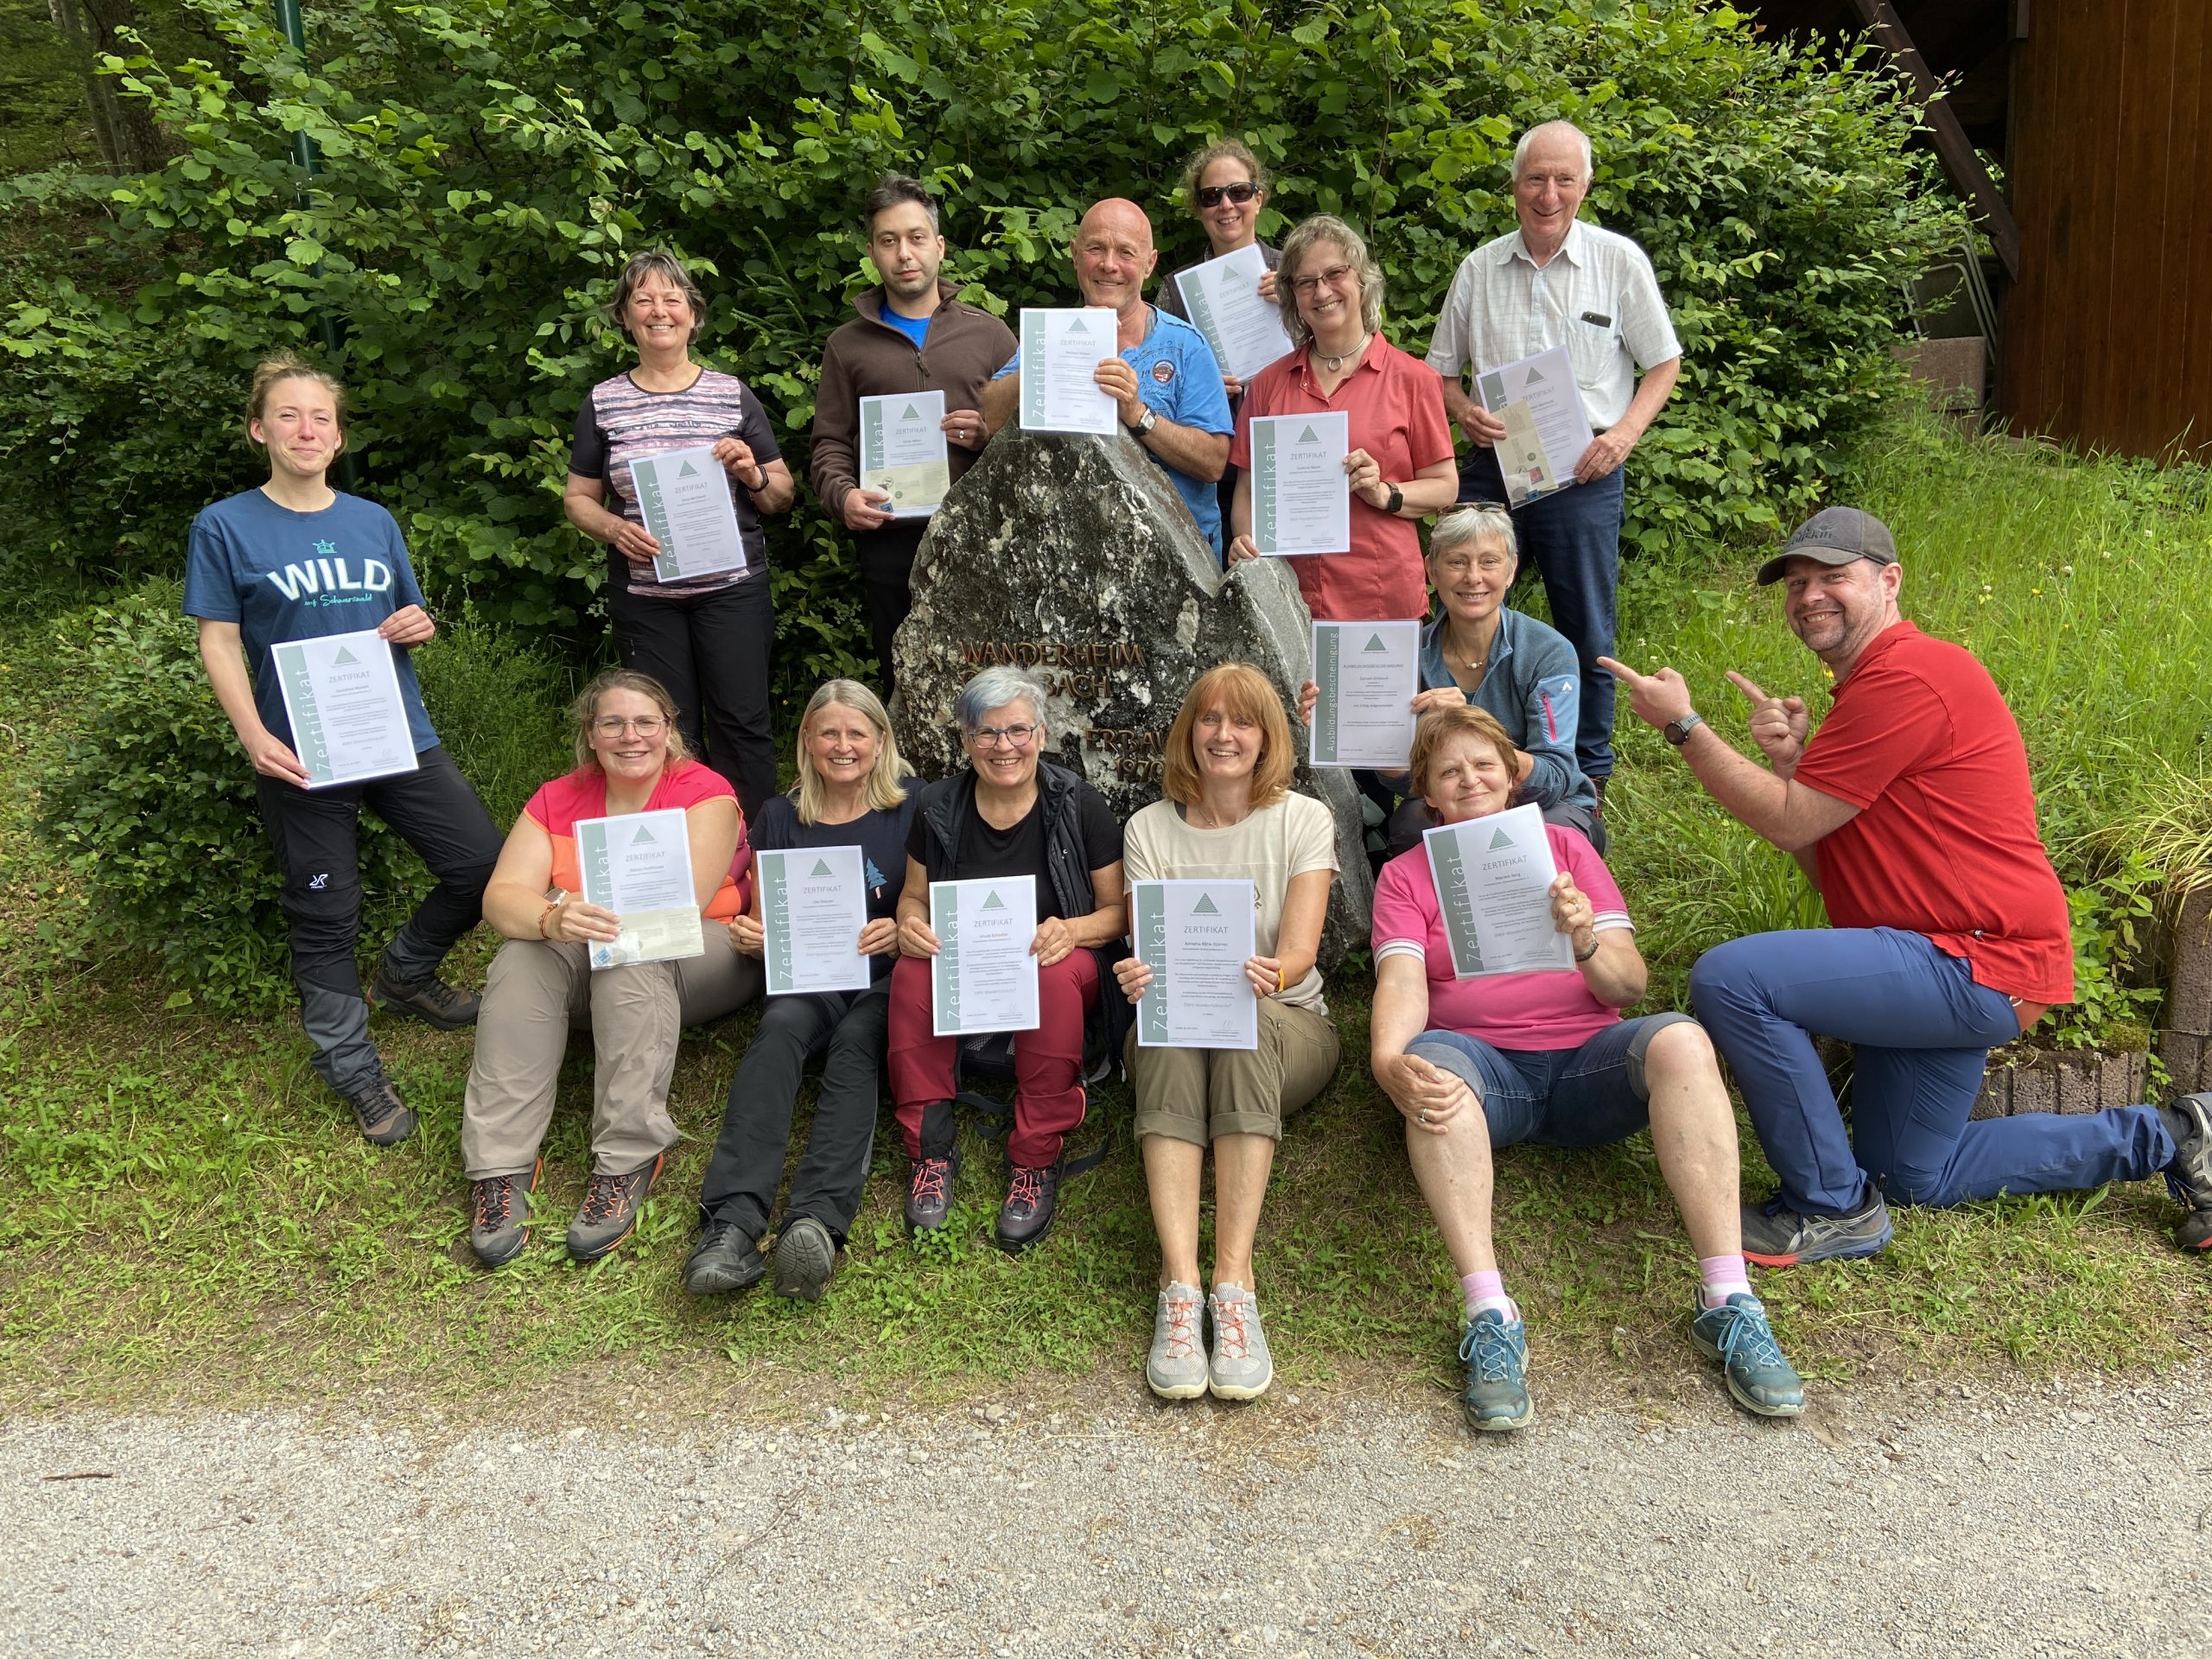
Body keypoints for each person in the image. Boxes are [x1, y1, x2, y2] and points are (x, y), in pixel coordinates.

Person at [1600, 507, 2212, 1262]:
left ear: (1888, 582)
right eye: (1796, 582)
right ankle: (2182, 1136)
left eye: (1833, 577)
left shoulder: (1913, 676)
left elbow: (1791, 825)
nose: (1809, 595)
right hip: (1948, 958)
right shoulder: (1869, 692)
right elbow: (1825, 859)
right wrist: (1794, 768)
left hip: (1974, 959)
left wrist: (1684, 727)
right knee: (1917, 1171)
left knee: (1733, 979)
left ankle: (1828, 1207)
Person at [1369, 702, 1804, 1430]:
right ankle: (1489, 1314)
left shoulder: (1567, 849)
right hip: (1486, 1073)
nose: (1469, 780)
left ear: (1512, 778)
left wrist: (1585, 942)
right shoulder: (1409, 875)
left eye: (1484, 765)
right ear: (1428, 793)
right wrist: (1388, 1056)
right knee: (1429, 1064)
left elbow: (1630, 988)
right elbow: (1404, 982)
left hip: (1587, 1064)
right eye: (1449, 771)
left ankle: (1728, 1300)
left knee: (1683, 1040)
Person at [185, 353, 502, 1148]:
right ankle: (351, 1063)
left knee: (481, 867)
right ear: (260, 429)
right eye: (288, 415)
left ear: (338, 434)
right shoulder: (225, 525)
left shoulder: (371, 520)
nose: (306, 429)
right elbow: (219, 641)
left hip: (395, 732)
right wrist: (253, 735)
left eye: (320, 417)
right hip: (300, 748)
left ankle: (405, 974)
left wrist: (419, 623)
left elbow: (407, 613)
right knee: (326, 909)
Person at [460, 670, 760, 1268]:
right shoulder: (556, 798)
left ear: (670, 730)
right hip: (591, 943)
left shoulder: (704, 791)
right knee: (522, 957)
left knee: (632, 956)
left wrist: (579, 913)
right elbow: (502, 899)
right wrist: (551, 919)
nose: (631, 736)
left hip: (706, 946)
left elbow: (686, 900)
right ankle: (499, 1169)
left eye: (646, 721)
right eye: (613, 723)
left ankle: (625, 1161)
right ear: (590, 735)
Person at [1426, 120, 1683, 816]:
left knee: (1587, 626)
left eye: (1564, 179)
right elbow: (1440, 374)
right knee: (1455, 599)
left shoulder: (1618, 259)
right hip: (1494, 464)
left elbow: (1664, 361)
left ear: (1585, 185)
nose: (1549, 193)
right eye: (1536, 178)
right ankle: (1452, 754)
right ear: (1514, 187)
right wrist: (1462, 411)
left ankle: (1585, 776)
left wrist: (1625, 434)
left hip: (1585, 467)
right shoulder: (1479, 269)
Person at [1112, 665, 1339, 1402]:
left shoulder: (1304, 819)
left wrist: (1264, 977)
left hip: (1286, 1023)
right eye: (1209, 720)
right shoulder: (1147, 828)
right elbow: (1147, 946)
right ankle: (1180, 1291)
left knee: (1239, 1031)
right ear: (1189, 733)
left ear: (1269, 736)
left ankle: (1233, 1285)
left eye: (1242, 722)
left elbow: (1301, 953)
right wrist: (1137, 977)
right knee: (1170, 1028)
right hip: (1177, 1029)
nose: (1224, 735)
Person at [685, 681, 918, 1301]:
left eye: (857, 733)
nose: (843, 746)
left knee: (857, 1043)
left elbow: (935, 901)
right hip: (809, 977)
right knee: (778, 1031)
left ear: (880, 740)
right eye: (829, 733)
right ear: (808, 741)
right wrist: (752, 937)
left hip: (886, 977)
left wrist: (902, 928)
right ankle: (730, 1224)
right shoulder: (779, 816)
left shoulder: (916, 806)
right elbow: (764, 915)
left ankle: (816, 1221)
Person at [890, 666, 1128, 1250]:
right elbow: (914, 896)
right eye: (987, 733)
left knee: (1050, 972)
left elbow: (1118, 914)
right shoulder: (938, 805)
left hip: (1060, 964)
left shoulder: (1077, 803)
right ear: (967, 741)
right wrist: (909, 925)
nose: (1004, 747)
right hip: (966, 964)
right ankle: (929, 1150)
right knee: (910, 969)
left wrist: (1069, 931)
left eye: (1017, 730)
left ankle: (1035, 1158)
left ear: (1042, 734)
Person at [564, 249, 796, 821]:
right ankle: (684, 854)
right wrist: (614, 527)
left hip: (732, 590)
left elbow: (782, 494)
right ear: (625, 316)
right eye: (643, 299)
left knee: (743, 723)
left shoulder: (731, 394)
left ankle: (756, 853)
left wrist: (753, 472)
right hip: (648, 600)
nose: (658, 311)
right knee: (663, 730)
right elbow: (577, 498)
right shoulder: (604, 401)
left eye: (672, 299)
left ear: (694, 315)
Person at [809, 175, 1018, 688]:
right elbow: (830, 443)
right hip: (891, 541)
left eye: (917, 237)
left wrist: (988, 435)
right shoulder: (846, 345)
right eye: (889, 241)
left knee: (992, 682)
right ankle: (904, 773)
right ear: (873, 253)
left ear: (939, 247)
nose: (905, 253)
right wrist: (843, 496)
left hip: (982, 537)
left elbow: (1029, 438)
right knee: (905, 681)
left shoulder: (989, 333)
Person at [1297, 505, 1600, 857]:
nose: (1473, 577)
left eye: (1489, 562)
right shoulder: (1403, 656)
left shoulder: (1549, 651)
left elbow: (1556, 778)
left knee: (1546, 839)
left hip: (1546, 806)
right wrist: (1370, 743)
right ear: (1431, 570)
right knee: (1411, 827)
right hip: (1455, 803)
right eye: (1457, 562)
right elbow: (1417, 788)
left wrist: (1475, 731)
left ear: (1511, 570)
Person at [1225, 213, 1458, 621]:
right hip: (1288, 598)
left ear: (1362, 280)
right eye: (1306, 282)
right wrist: (1246, 540)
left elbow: (1445, 487)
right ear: (1292, 295)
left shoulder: (1414, 380)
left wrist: (1387, 493)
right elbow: (1246, 490)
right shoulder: (1266, 385)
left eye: (1335, 274)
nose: (1322, 291)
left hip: (1381, 596)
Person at [979, 199, 1235, 556]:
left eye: (1126, 253)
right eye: (1095, 248)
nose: (1109, 265)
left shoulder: (1185, 346)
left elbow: (1213, 463)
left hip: (1177, 562)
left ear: (1150, 264)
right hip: (1076, 558)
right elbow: (990, 417)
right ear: (1074, 254)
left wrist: (1138, 414)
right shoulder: (1049, 336)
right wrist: (1051, 355)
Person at [1155, 138, 1281, 529]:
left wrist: (1301, 303)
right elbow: (1158, 374)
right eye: (1211, 196)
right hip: (1209, 464)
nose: (1226, 205)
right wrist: (1202, 382)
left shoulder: (1298, 272)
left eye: (1238, 192)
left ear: (1258, 198)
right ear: (1199, 209)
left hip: (1284, 448)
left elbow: (1344, 350)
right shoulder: (1176, 289)